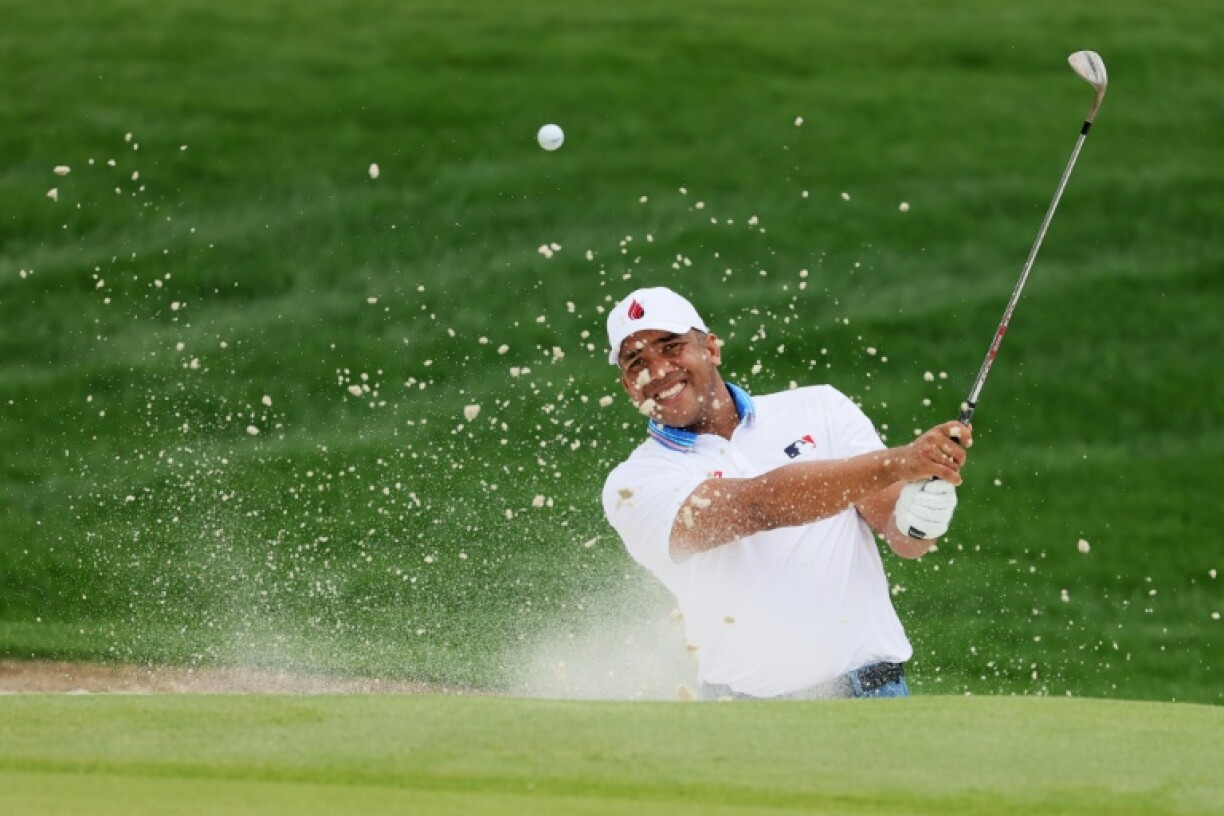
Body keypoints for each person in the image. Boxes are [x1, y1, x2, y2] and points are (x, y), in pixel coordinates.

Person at [601, 287, 971, 700]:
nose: (658, 370)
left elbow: (900, 535)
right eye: (637, 362)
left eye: (671, 347)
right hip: (745, 718)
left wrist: (922, 517)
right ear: (627, 386)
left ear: (711, 348)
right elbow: (757, 506)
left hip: (873, 695)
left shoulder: (821, 408)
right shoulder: (631, 484)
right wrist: (899, 463)